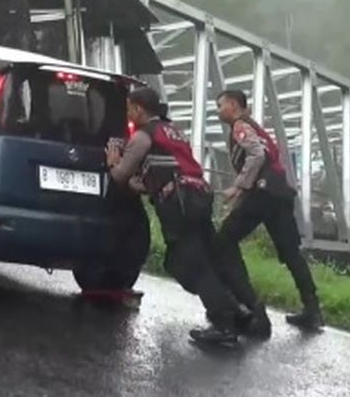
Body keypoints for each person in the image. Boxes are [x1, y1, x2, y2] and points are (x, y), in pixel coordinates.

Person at [106, 87, 250, 345]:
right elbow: (158, 176)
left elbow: (119, 177)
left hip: (178, 203)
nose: (127, 114)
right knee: (193, 259)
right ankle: (235, 309)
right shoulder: (172, 130)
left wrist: (113, 162)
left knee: (192, 264)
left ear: (139, 109)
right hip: (199, 196)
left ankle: (224, 323)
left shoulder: (143, 136)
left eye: (129, 108)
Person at [215, 89, 323, 331]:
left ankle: (249, 306)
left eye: (220, 105)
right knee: (290, 252)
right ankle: (312, 309)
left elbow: (256, 155)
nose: (218, 110)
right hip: (279, 193)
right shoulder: (256, 127)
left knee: (224, 240)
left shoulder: (240, 126)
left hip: (262, 193)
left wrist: (238, 186)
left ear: (233, 104)